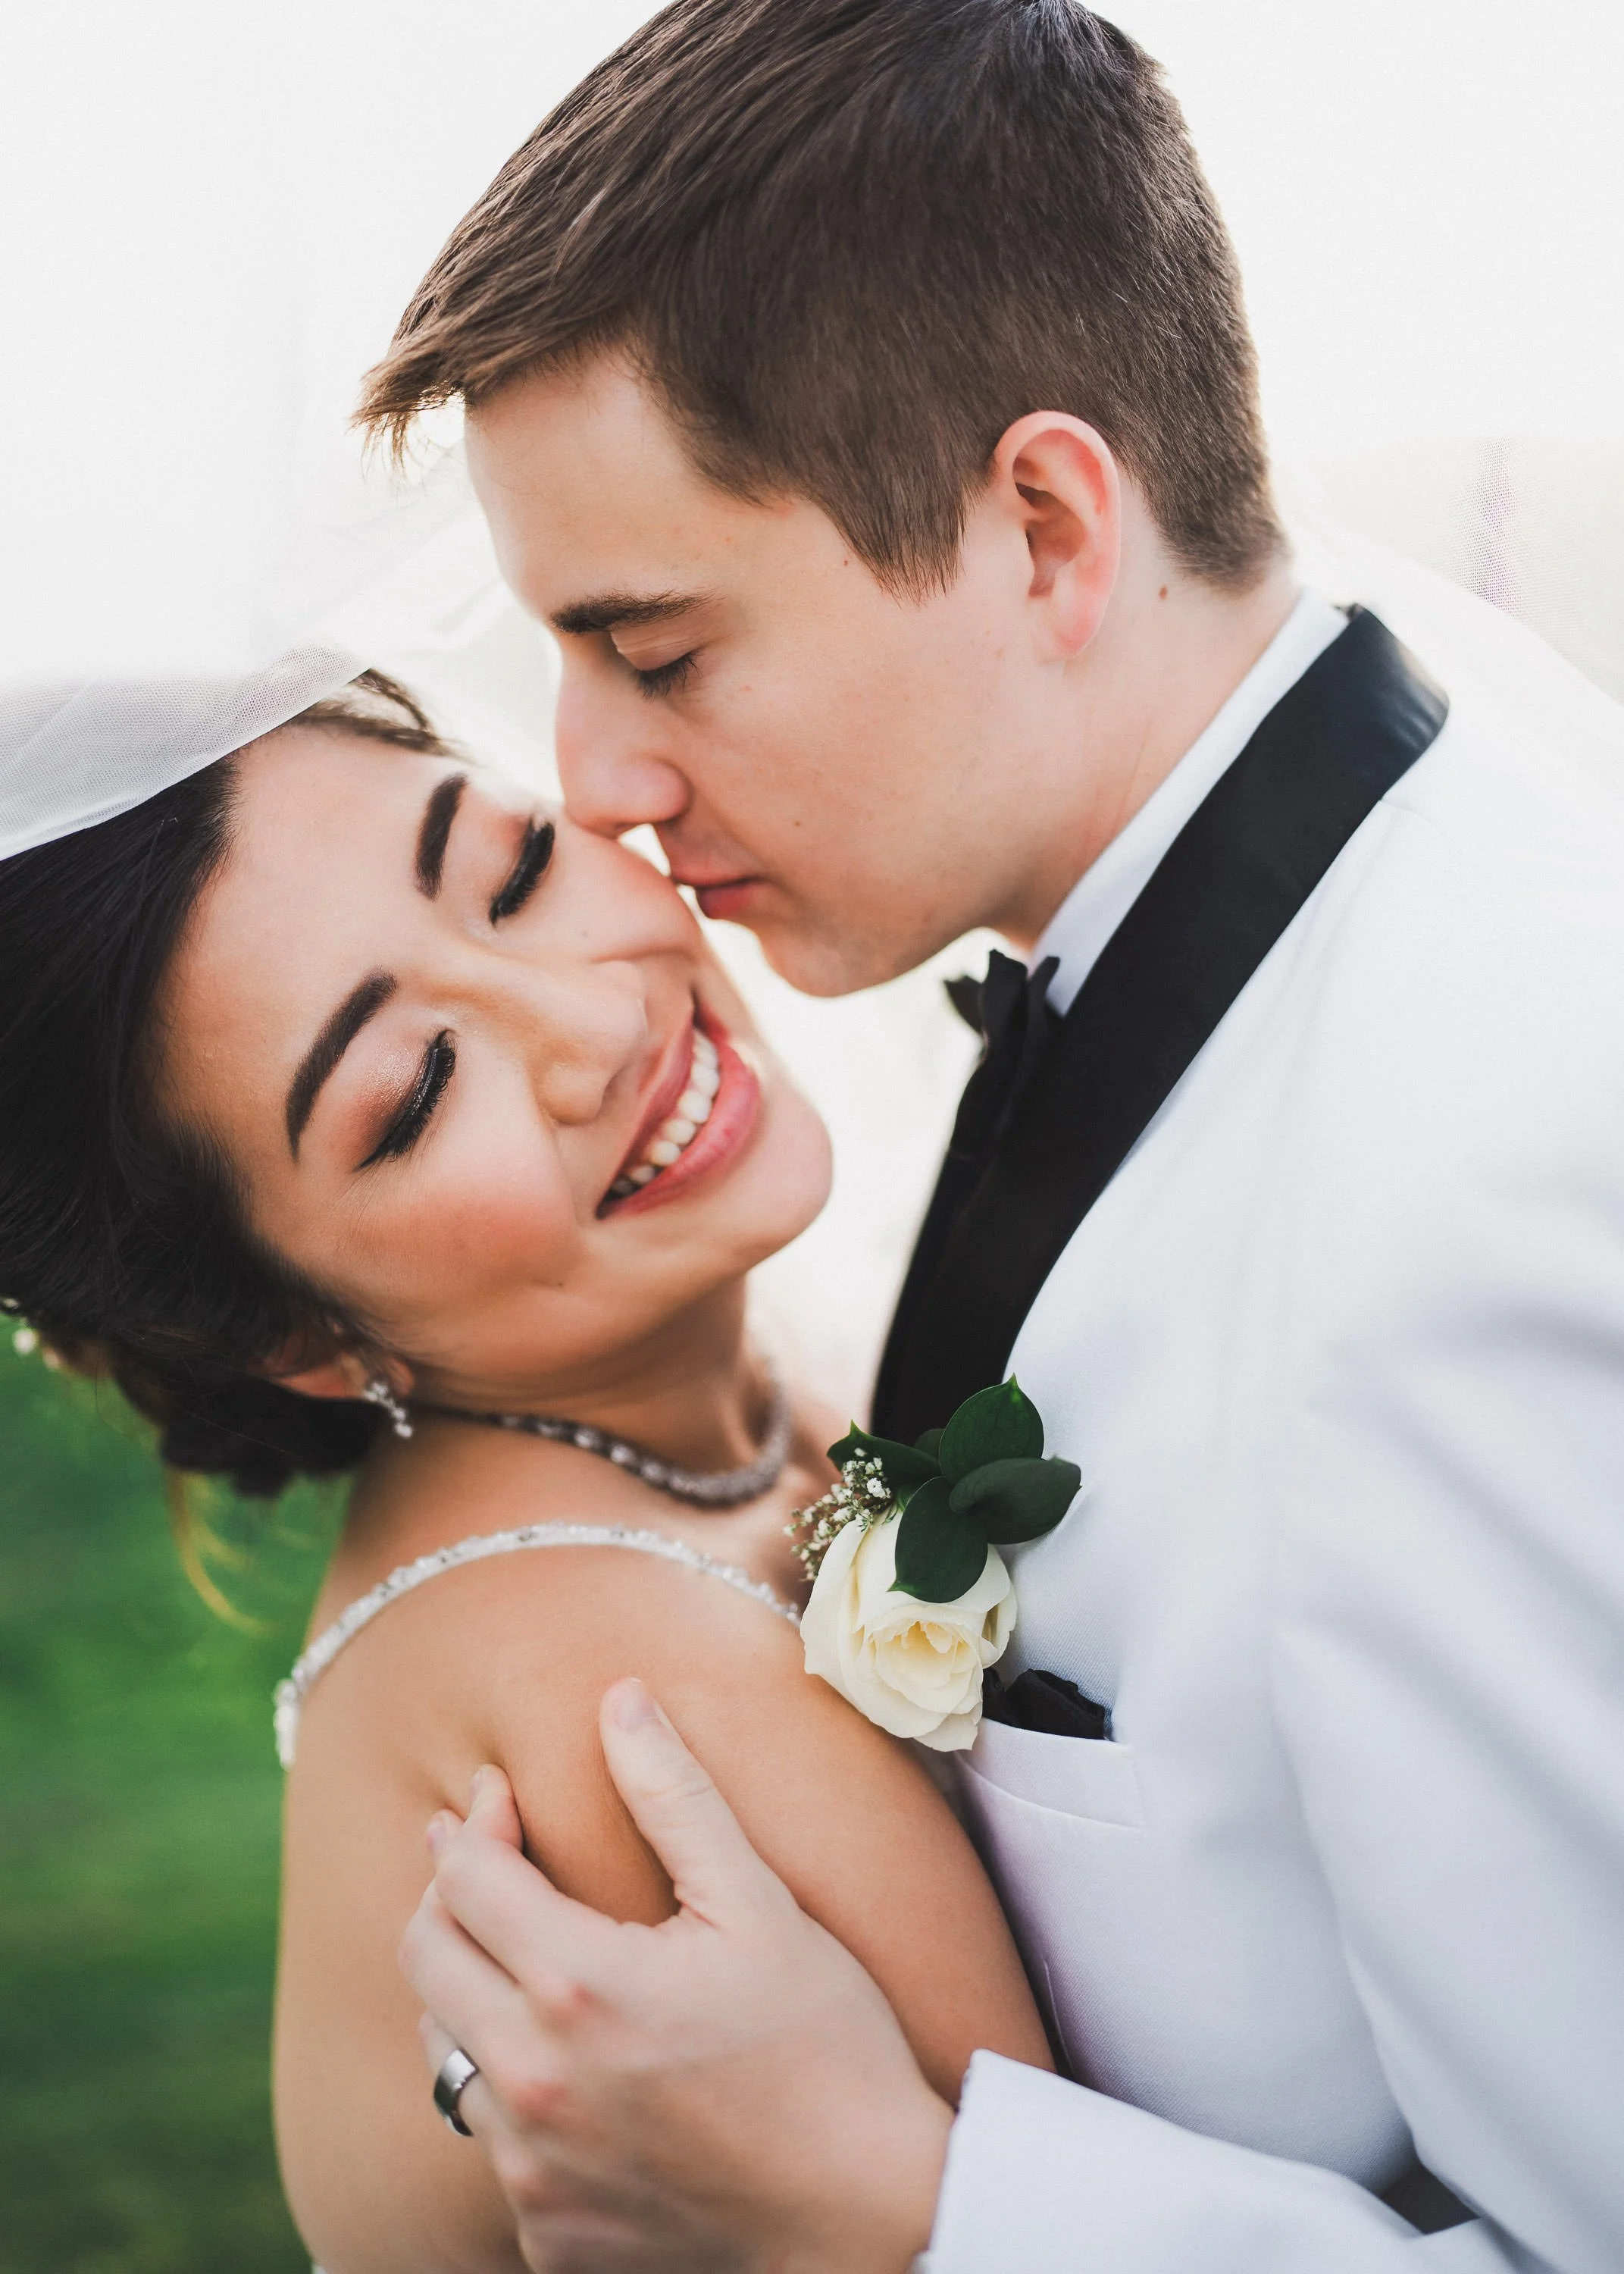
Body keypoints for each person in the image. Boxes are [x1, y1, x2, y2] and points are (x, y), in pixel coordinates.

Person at [365, 2, 1624, 2269]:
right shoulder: (1294, 814)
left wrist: (895, 2198)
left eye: (653, 651)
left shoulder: (1477, 1185)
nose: (598, 781)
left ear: (1042, 523)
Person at [0, 667, 1052, 2274]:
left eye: (512, 873)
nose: (596, 1020)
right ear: (301, 1336)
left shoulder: (729, 1413)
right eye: (413, 1092)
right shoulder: (625, 1696)